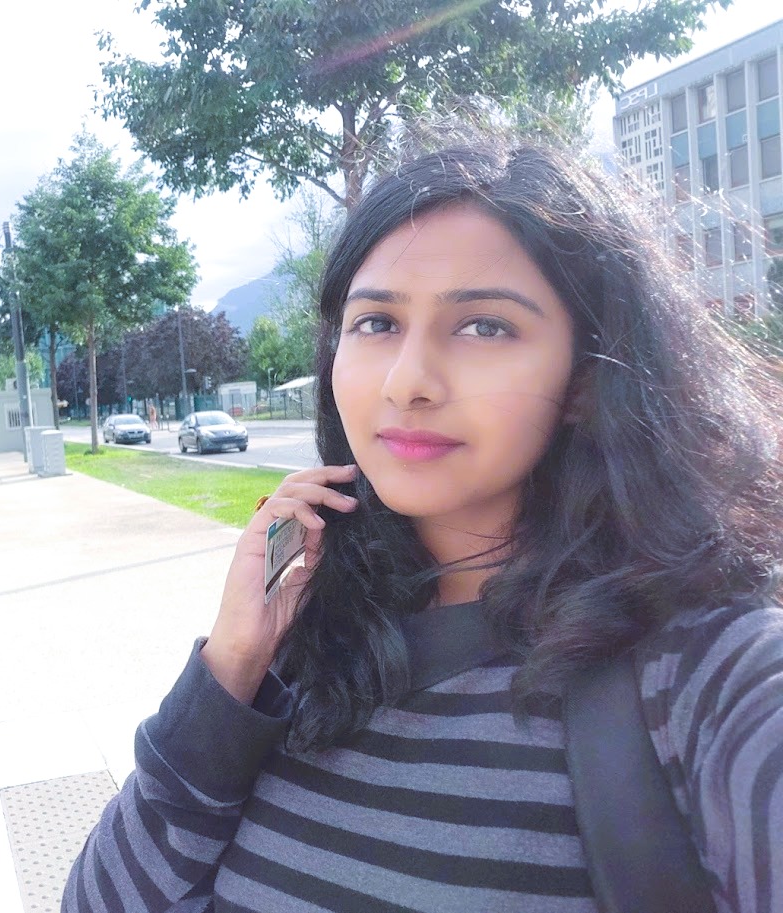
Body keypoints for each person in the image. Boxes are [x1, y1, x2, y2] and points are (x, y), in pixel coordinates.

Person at [62, 138, 783, 912]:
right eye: (375, 322)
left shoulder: (704, 672)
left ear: (585, 376)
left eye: (484, 327)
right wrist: (234, 659)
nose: (407, 382)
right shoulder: (301, 643)